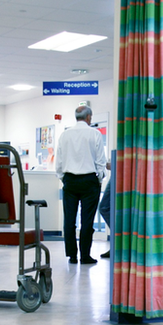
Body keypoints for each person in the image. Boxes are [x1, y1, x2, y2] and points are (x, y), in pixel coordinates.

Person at [55, 106, 107, 264]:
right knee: (87, 220)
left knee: (69, 220)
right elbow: (100, 161)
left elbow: (59, 162)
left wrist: (63, 178)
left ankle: (72, 255)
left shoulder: (64, 135)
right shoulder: (95, 134)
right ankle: (85, 255)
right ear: (89, 117)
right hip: (89, 181)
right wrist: (99, 179)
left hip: (70, 180)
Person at [98, 166, 113, 259]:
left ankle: (118, 244)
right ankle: (117, 244)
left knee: (104, 207)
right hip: (117, 173)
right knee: (104, 207)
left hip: (121, 172)